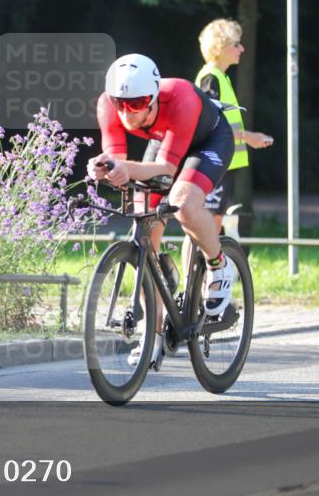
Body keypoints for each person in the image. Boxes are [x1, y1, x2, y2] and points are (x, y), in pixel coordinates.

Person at [87, 53, 235, 366]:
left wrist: (122, 167)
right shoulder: (107, 106)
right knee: (143, 232)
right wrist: (103, 167)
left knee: (183, 203)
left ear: (153, 97)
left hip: (207, 141)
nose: (127, 112)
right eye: (120, 102)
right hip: (167, 140)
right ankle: (151, 335)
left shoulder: (179, 96)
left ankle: (219, 264)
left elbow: (166, 167)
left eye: (137, 102)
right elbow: (117, 158)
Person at [195, 18, 273, 235]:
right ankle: (202, 269)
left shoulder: (219, 77)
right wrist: (248, 137)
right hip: (214, 163)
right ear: (220, 47)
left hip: (222, 164)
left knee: (212, 224)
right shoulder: (211, 78)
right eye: (236, 44)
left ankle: (208, 269)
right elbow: (210, 126)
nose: (242, 48)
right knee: (205, 226)